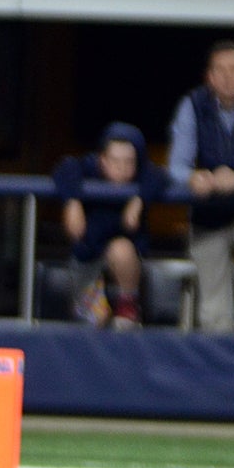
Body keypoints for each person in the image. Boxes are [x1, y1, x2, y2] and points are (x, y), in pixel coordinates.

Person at [166, 40, 234, 334]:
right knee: (214, 318)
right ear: (210, 76)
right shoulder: (192, 105)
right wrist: (193, 178)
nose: (228, 77)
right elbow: (177, 166)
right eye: (220, 70)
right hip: (207, 216)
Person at [53, 121, 169, 330]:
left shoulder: (146, 176)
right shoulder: (86, 168)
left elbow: (160, 175)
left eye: (128, 162)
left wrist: (139, 200)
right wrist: (72, 202)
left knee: (121, 249)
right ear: (102, 160)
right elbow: (65, 167)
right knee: (93, 323)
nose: (121, 168)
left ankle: (128, 307)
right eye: (115, 161)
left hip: (125, 266)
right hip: (87, 259)